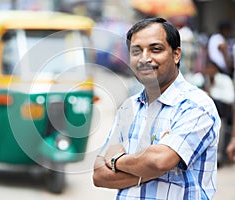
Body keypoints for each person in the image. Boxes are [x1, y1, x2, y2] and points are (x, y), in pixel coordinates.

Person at [92, 17, 221, 199]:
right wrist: (145, 166)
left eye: (156, 49)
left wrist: (115, 160)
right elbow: (98, 175)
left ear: (176, 55)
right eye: (136, 51)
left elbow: (159, 162)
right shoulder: (129, 108)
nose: (144, 58)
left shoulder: (196, 105)